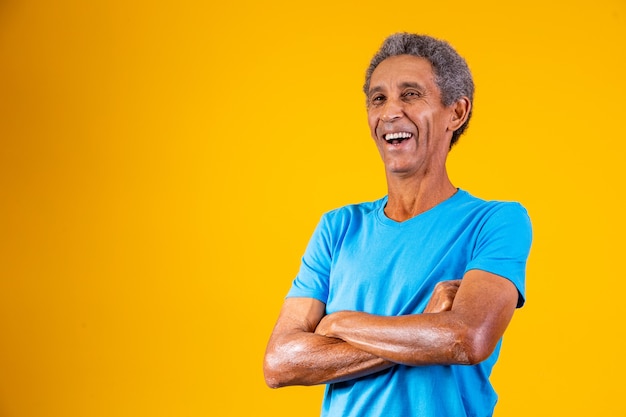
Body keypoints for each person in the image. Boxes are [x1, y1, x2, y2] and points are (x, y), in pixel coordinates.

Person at [263, 32, 532, 417]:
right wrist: (426, 325)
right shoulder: (338, 227)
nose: (390, 111)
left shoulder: (494, 221)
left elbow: (467, 339)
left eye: (410, 94)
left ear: (456, 113)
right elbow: (280, 362)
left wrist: (339, 322)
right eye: (378, 98)